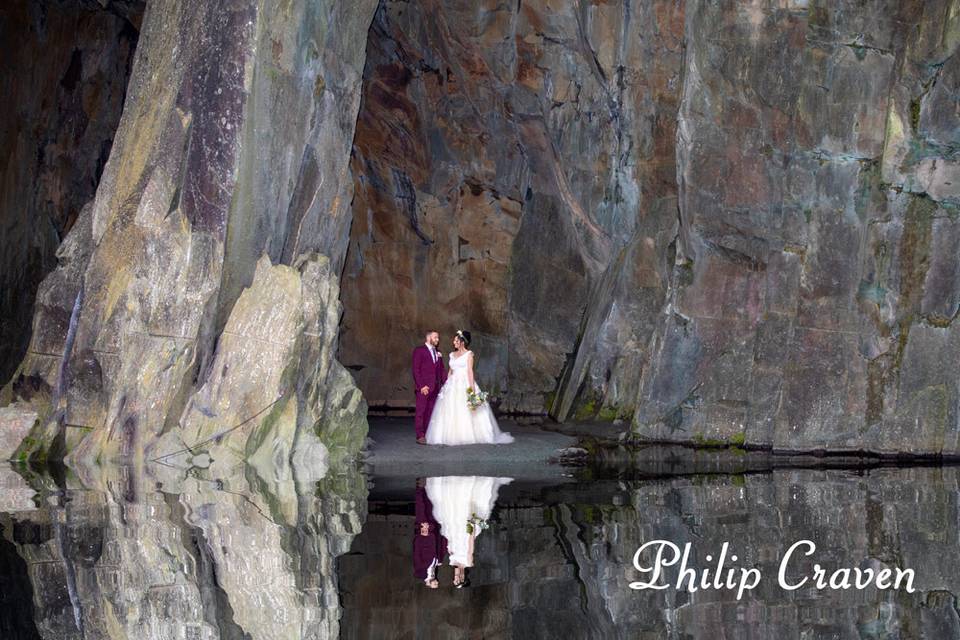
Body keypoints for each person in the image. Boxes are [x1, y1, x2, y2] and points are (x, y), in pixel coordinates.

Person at [425, 330, 513, 446]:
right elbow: (450, 371)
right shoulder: (452, 355)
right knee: (451, 409)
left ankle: (471, 435)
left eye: (456, 340)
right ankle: (451, 435)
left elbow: (470, 372)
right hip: (452, 384)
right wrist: (446, 386)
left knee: (469, 409)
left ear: (462, 342)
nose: (454, 342)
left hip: (465, 383)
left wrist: (471, 390)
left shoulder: (469, 354)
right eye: (454, 340)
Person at [425, 475, 512, 587]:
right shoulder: (468, 562)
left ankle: (453, 487)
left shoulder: (452, 562)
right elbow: (470, 544)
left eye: (454, 579)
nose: (455, 576)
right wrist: (470, 528)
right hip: (464, 534)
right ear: (462, 577)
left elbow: (449, 545)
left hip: (454, 533)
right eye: (457, 578)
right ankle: (466, 486)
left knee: (452, 511)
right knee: (464, 511)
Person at [411, 330, 446, 445]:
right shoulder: (419, 351)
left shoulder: (438, 352)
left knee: (430, 412)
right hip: (424, 388)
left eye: (438, 338)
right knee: (421, 412)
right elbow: (416, 370)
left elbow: (441, 370)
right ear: (428, 338)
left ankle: (426, 434)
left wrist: (448, 383)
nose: (437, 339)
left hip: (435, 388)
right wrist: (421, 386)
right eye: (435, 337)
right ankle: (420, 435)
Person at [413, 478, 447, 589]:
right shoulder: (437, 563)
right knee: (430, 509)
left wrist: (420, 536)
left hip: (424, 533)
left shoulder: (421, 571)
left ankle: (420, 487)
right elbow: (442, 546)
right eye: (437, 583)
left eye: (434, 584)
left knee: (421, 510)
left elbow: (416, 553)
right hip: (434, 532)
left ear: (428, 584)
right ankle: (429, 488)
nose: (436, 582)